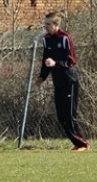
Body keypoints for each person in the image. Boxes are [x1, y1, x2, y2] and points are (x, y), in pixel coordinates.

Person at [34, 12, 90, 151]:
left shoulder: (65, 38)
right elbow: (45, 60)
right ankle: (78, 143)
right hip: (57, 81)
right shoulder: (46, 39)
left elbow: (71, 61)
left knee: (69, 115)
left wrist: (55, 63)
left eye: (48, 24)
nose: (45, 26)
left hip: (69, 80)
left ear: (56, 25)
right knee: (61, 116)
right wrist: (42, 77)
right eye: (45, 23)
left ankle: (82, 143)